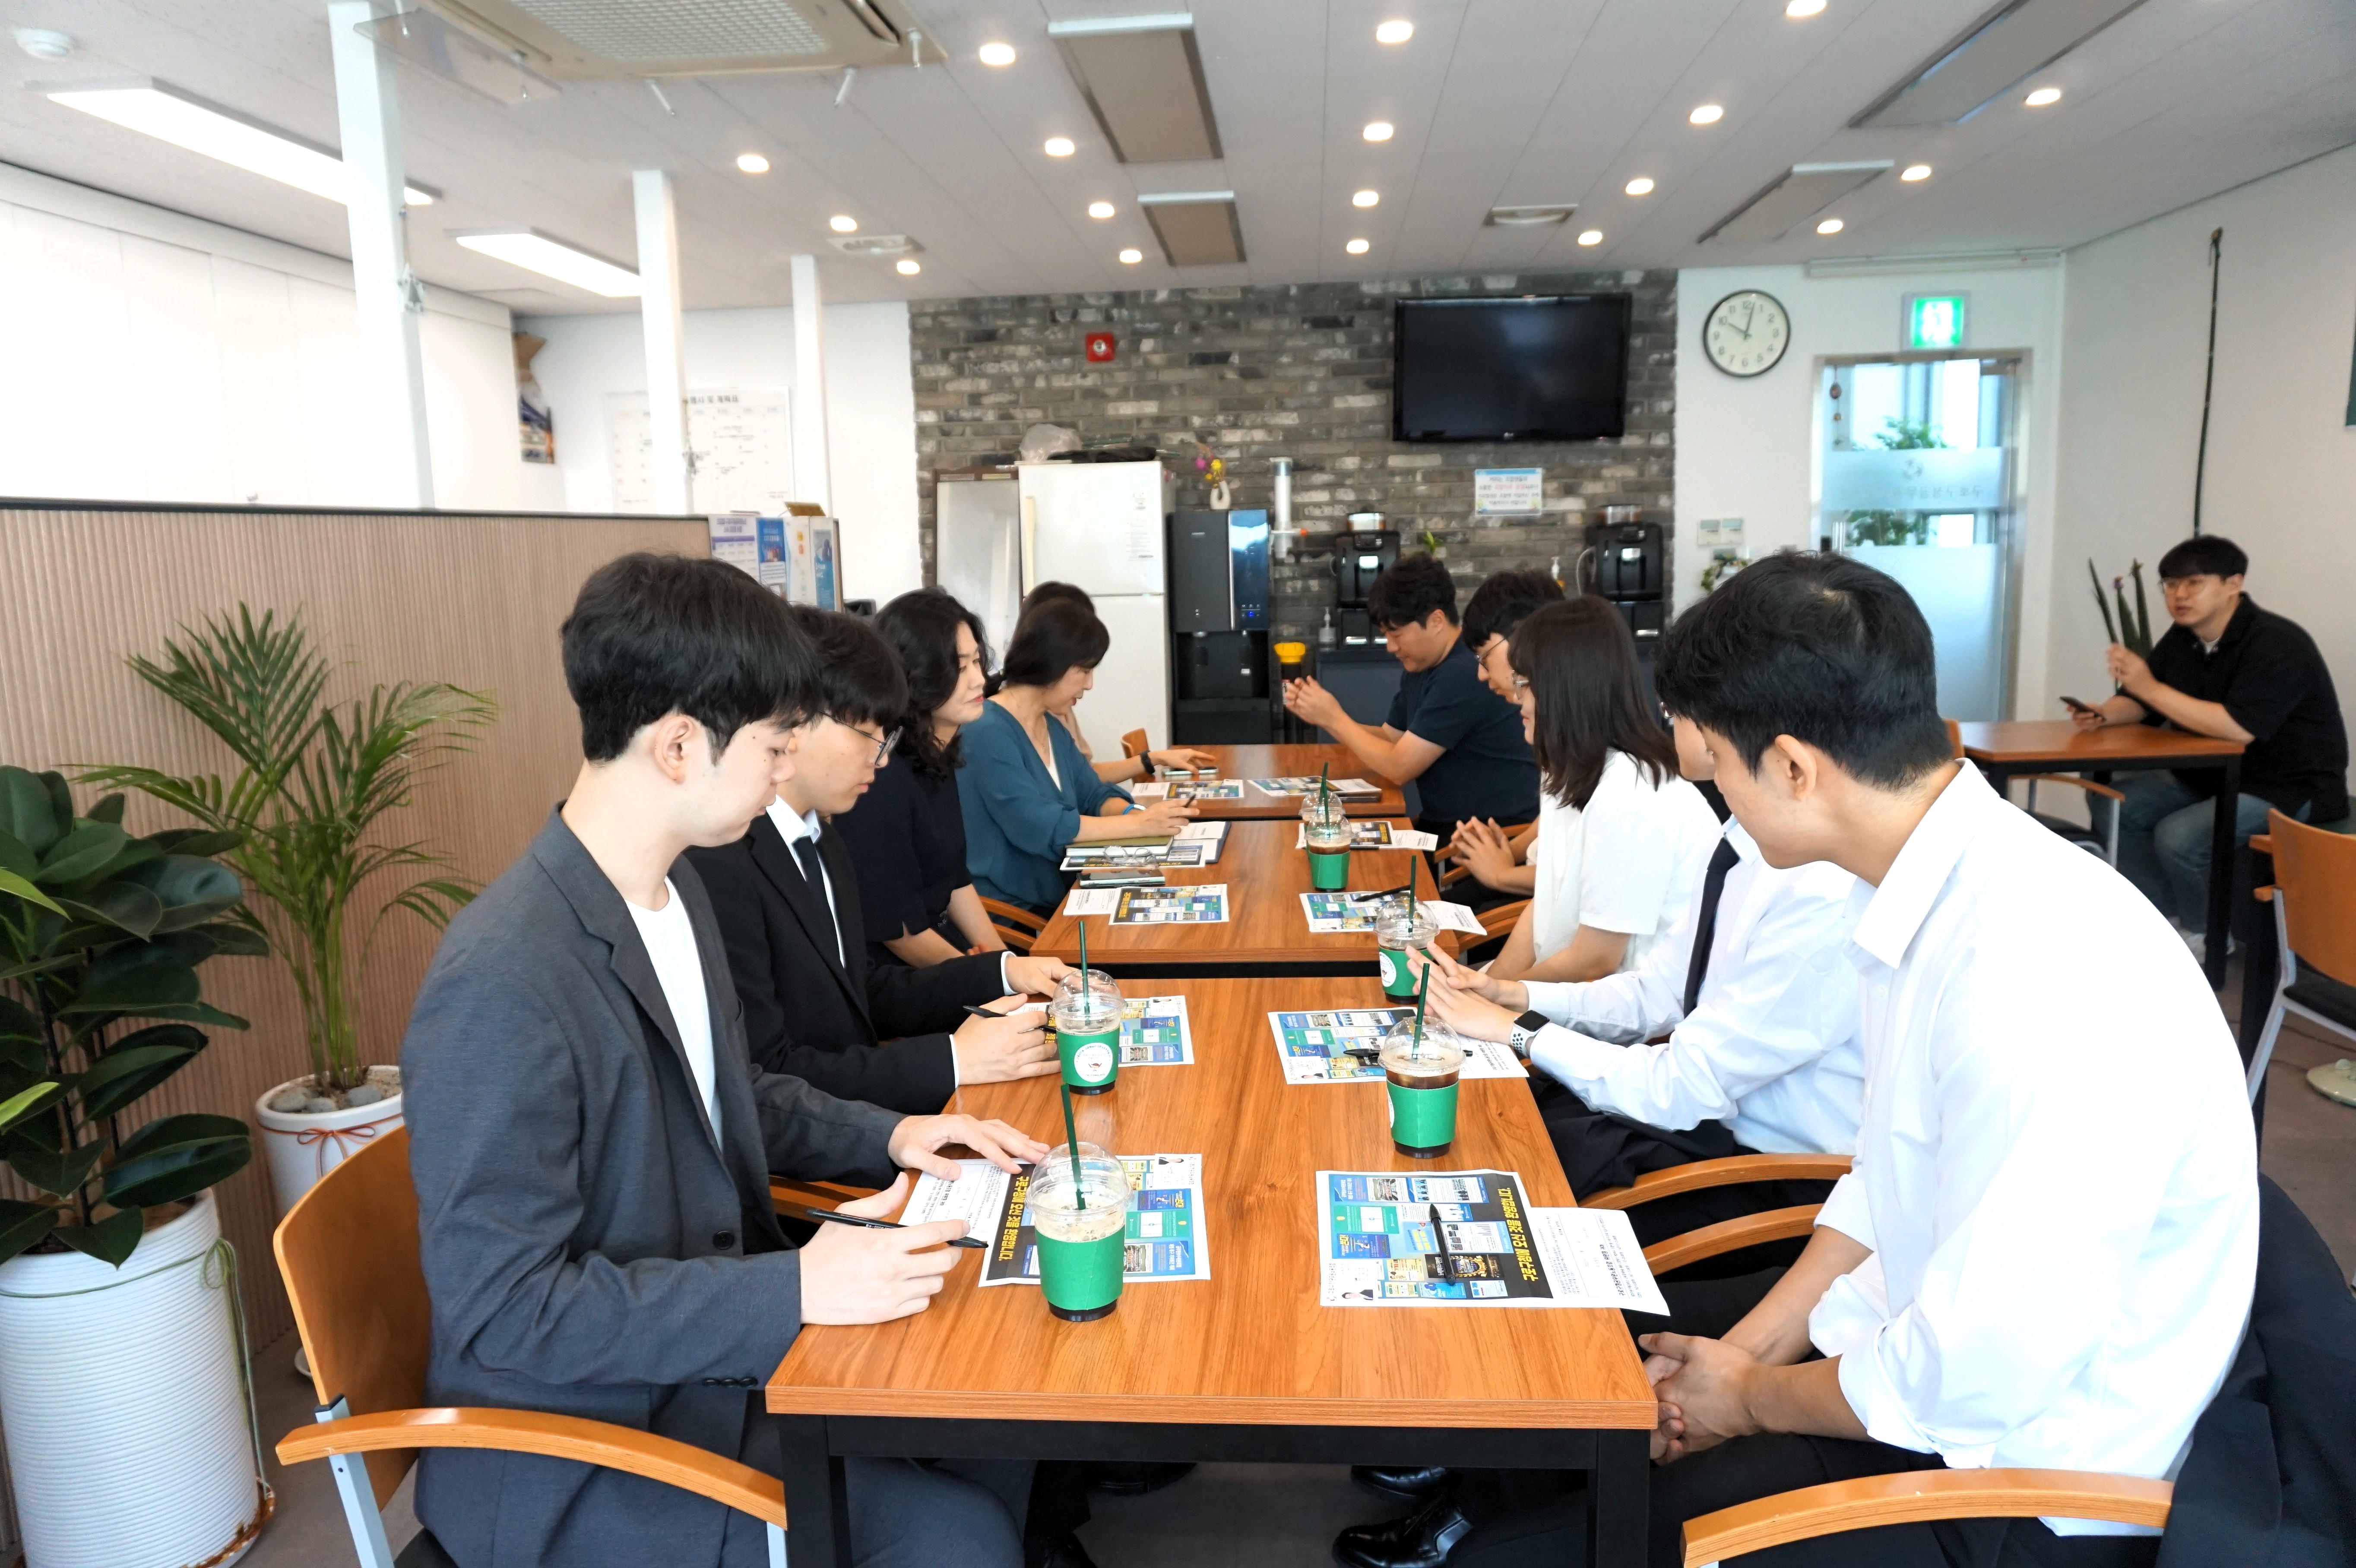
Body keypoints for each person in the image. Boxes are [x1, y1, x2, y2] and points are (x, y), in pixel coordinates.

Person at [1342, 551, 2258, 1568]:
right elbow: (1883, 1183)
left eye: (1721, 766)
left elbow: (1971, 1374)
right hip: (1898, 1357)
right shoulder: (1924, 887)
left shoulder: (2033, 966)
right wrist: (1744, 1356)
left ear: (1790, 766)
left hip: (2013, 1483)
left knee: (1528, 1536)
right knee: (1576, 1374)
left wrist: (1749, 1397)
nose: (1714, 795)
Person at [401, 553, 1054, 1568]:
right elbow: (507, 1309)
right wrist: (789, 1290)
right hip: (588, 1443)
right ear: (677, 745)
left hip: (705, 1362)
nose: (783, 771)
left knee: (990, 1405)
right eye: (772, 745)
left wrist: (897, 1132)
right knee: (955, 1535)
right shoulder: (503, 978)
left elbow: (730, 1092)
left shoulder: (672, 894)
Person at [687, 605, 1070, 1117]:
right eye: (869, 734)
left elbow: (864, 990)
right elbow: (768, 1074)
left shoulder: (822, 839)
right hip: (829, 1133)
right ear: (796, 722)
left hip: (869, 1112)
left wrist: (1003, 972)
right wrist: (955, 1058)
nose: (883, 758)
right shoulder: (722, 862)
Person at [2074, 535, 2348, 945]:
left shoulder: (2278, 642)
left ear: (2233, 584)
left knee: (2179, 838)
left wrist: (2148, 688)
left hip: (2289, 786)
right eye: (2170, 585)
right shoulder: (2185, 637)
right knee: (2116, 808)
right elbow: (2142, 700)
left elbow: (2238, 728)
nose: (2179, 595)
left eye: (2194, 583)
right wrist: (2104, 714)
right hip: (2210, 774)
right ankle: (2161, 921)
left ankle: (2207, 938)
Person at [1483, 597, 1719, 985]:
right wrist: (1486, 988)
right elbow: (1546, 905)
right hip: (1570, 991)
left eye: (1525, 683)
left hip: (1631, 1008)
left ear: (1564, 689)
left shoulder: (1630, 798)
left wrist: (1497, 997)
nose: (1518, 698)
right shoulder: (1568, 769)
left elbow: (1595, 963)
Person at [1280, 552, 1540, 844]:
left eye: (1397, 634)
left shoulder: (1462, 673)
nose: (1391, 647)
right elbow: (1392, 738)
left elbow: (1399, 767)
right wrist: (1322, 715)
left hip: (1489, 838)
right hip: (1446, 829)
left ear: (1437, 620)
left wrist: (1334, 718)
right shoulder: (1422, 666)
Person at [960, 597, 1196, 912]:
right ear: (1050, 664)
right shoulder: (986, 730)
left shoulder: (1050, 726)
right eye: (1084, 671)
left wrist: (1134, 813)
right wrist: (1140, 826)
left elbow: (1094, 795)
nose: (1090, 684)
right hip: (1017, 916)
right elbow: (1038, 825)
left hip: (1063, 894)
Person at [830, 589, 1009, 968]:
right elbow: (900, 934)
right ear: (916, 673)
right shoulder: (880, 776)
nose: (979, 680)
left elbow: (954, 879)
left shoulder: (937, 752)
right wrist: (987, 978)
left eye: (977, 662)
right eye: (960, 667)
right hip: (899, 977)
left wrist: (1004, 963)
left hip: (946, 952)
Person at [1020, 580, 1216, 785]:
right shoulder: (1019, 721)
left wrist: (1154, 759)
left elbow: (1085, 777)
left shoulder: (1059, 706)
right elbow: (1080, 785)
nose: (1089, 685)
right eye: (1084, 670)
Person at [1445, 568, 1565, 901]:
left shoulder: (1577, 736)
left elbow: (1578, 882)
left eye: (1485, 657)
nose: (1481, 675)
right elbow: (1554, 815)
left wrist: (1501, 873)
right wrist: (1502, 853)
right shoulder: (1550, 726)